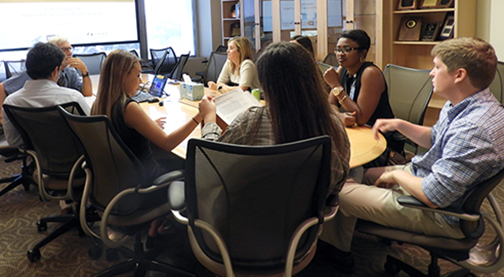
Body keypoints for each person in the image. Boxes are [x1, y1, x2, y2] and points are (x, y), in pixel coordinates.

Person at [319, 37, 504, 274]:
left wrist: (396, 177)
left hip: (439, 214)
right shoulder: (468, 103)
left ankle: (335, 254)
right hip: (428, 178)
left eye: (437, 67)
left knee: (337, 189)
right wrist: (400, 124)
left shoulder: (474, 129)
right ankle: (340, 245)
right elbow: (437, 138)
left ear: (459, 75)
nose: (430, 73)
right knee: (354, 173)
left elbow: (433, 195)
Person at [199, 41, 351, 200]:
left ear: (266, 84)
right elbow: (337, 183)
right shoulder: (333, 124)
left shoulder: (252, 122)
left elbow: (209, 164)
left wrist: (209, 119)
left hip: (247, 217)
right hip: (307, 221)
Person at [91, 50, 202, 183]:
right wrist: (199, 116)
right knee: (194, 162)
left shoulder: (99, 105)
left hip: (121, 179)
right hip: (147, 181)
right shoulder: (129, 107)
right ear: (123, 76)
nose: (140, 82)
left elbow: (123, 135)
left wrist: (146, 127)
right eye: (137, 75)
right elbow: (168, 143)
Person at [2, 42, 91, 148]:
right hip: (74, 154)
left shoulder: (11, 102)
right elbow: (91, 132)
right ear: (55, 71)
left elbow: (14, 142)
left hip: (38, 157)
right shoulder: (72, 98)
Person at [323, 29, 394, 128]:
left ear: (362, 53)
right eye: (338, 49)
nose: (340, 54)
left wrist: (335, 85)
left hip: (379, 131)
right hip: (356, 129)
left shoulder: (370, 73)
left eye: (347, 49)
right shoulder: (342, 69)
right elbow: (330, 104)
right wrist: (339, 116)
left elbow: (361, 119)